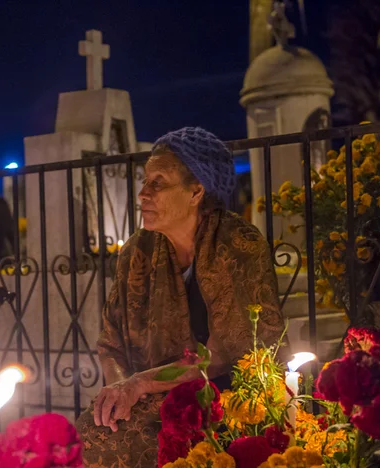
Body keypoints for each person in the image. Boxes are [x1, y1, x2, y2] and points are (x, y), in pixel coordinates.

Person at [76, 127, 289, 467]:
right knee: (94, 429)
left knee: (144, 440)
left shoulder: (237, 244)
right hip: (153, 390)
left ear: (196, 192)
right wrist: (119, 394)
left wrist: (138, 385)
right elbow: (111, 343)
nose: (143, 193)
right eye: (145, 181)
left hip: (228, 392)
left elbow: (224, 354)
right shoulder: (137, 250)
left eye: (158, 182)